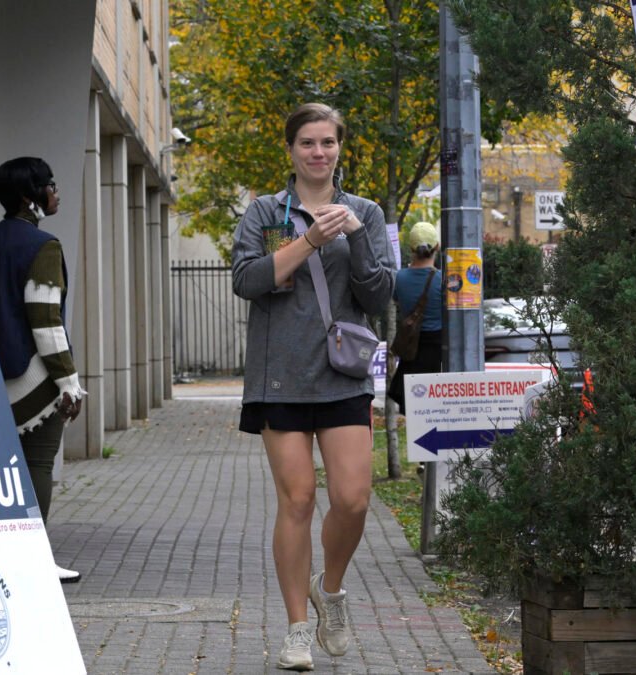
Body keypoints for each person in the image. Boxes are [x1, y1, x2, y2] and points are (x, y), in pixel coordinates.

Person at [231, 103, 395, 670]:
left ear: (339, 148)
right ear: (291, 149)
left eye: (327, 142)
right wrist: (306, 242)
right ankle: (298, 627)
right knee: (297, 499)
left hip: (343, 374)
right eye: (307, 142)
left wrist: (354, 237)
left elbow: (379, 296)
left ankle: (331, 590)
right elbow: (246, 281)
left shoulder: (365, 212)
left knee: (353, 497)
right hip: (279, 378)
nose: (318, 152)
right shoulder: (264, 212)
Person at [0, 157, 87, 584]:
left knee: (6, 467)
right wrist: (70, 383)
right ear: (30, 196)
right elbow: (45, 319)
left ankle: (6, 555)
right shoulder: (45, 245)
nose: (56, 192)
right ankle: (34, 559)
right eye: (50, 185)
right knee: (38, 463)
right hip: (36, 374)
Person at [387, 221, 442, 414]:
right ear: (437, 247)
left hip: (412, 352)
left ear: (411, 248)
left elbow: (396, 301)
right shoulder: (444, 279)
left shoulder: (399, 278)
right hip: (438, 354)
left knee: (416, 415)